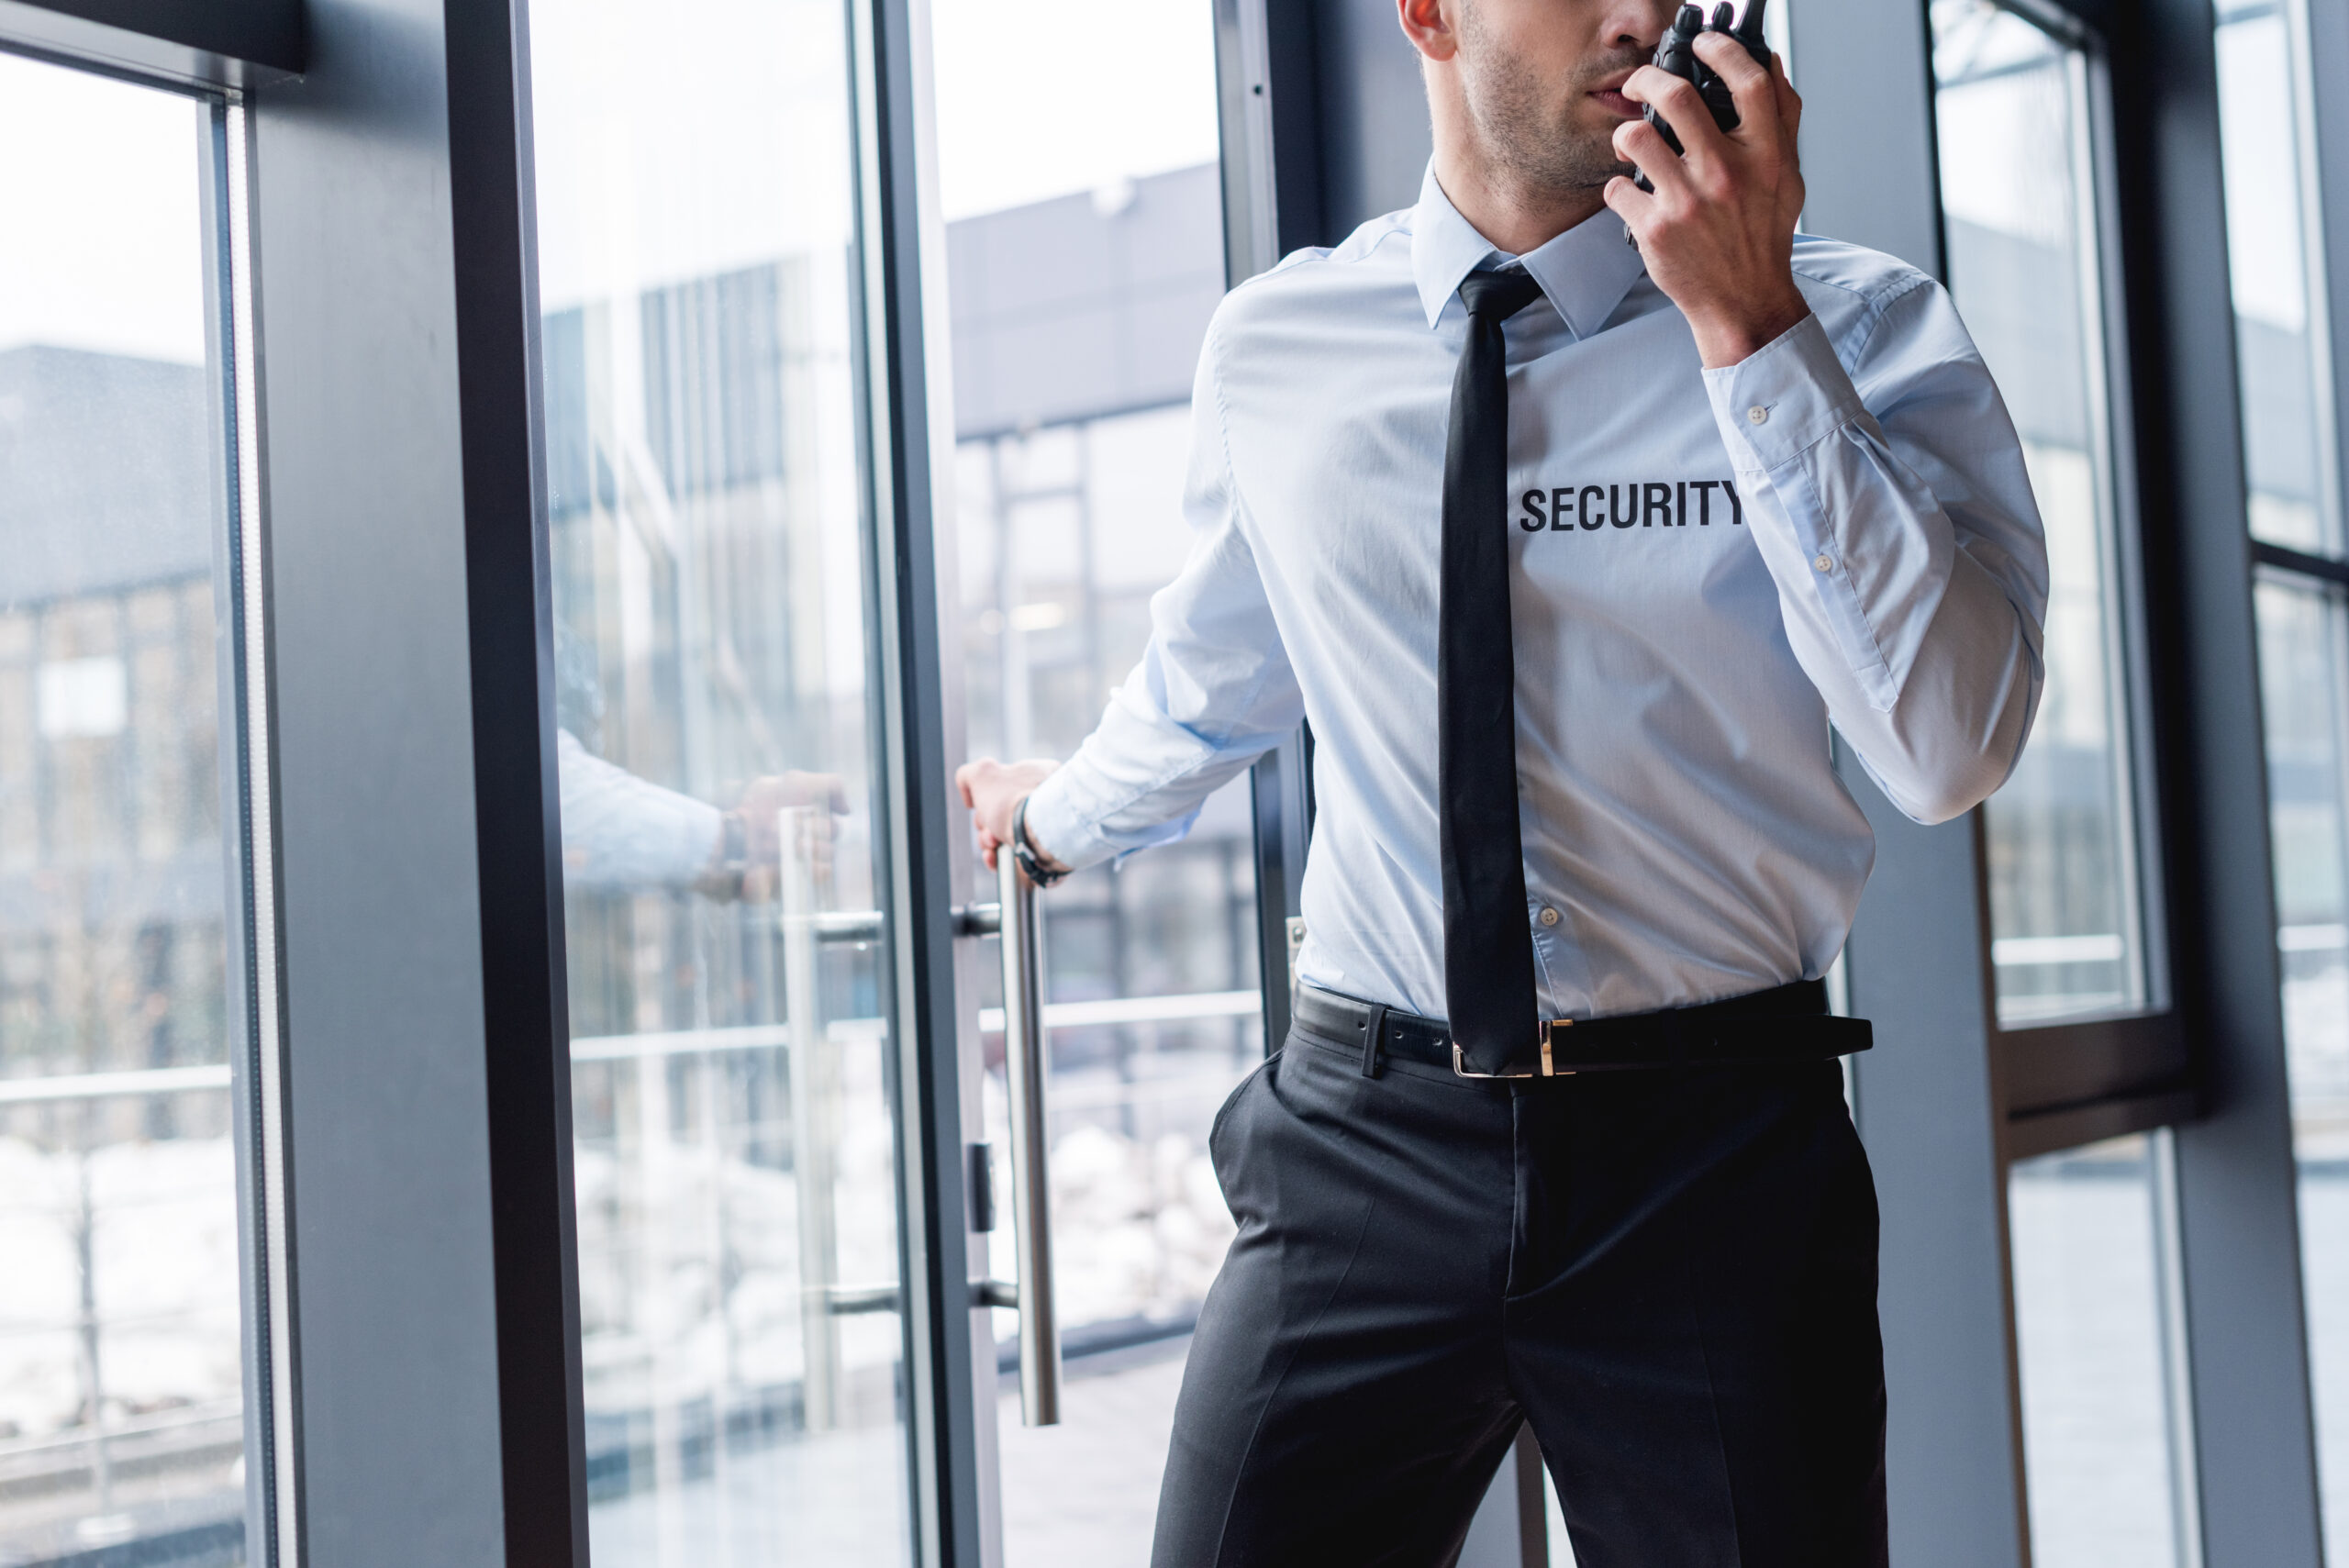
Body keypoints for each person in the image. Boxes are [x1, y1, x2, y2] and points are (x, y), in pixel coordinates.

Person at [957, 0, 2046, 1562]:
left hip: (1714, 1163)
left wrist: (1751, 333)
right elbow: (1215, 675)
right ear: (1428, 12)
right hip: (1364, 1142)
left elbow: (1950, 747)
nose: (1642, 12)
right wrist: (1051, 825)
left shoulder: (1861, 327)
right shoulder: (1277, 347)